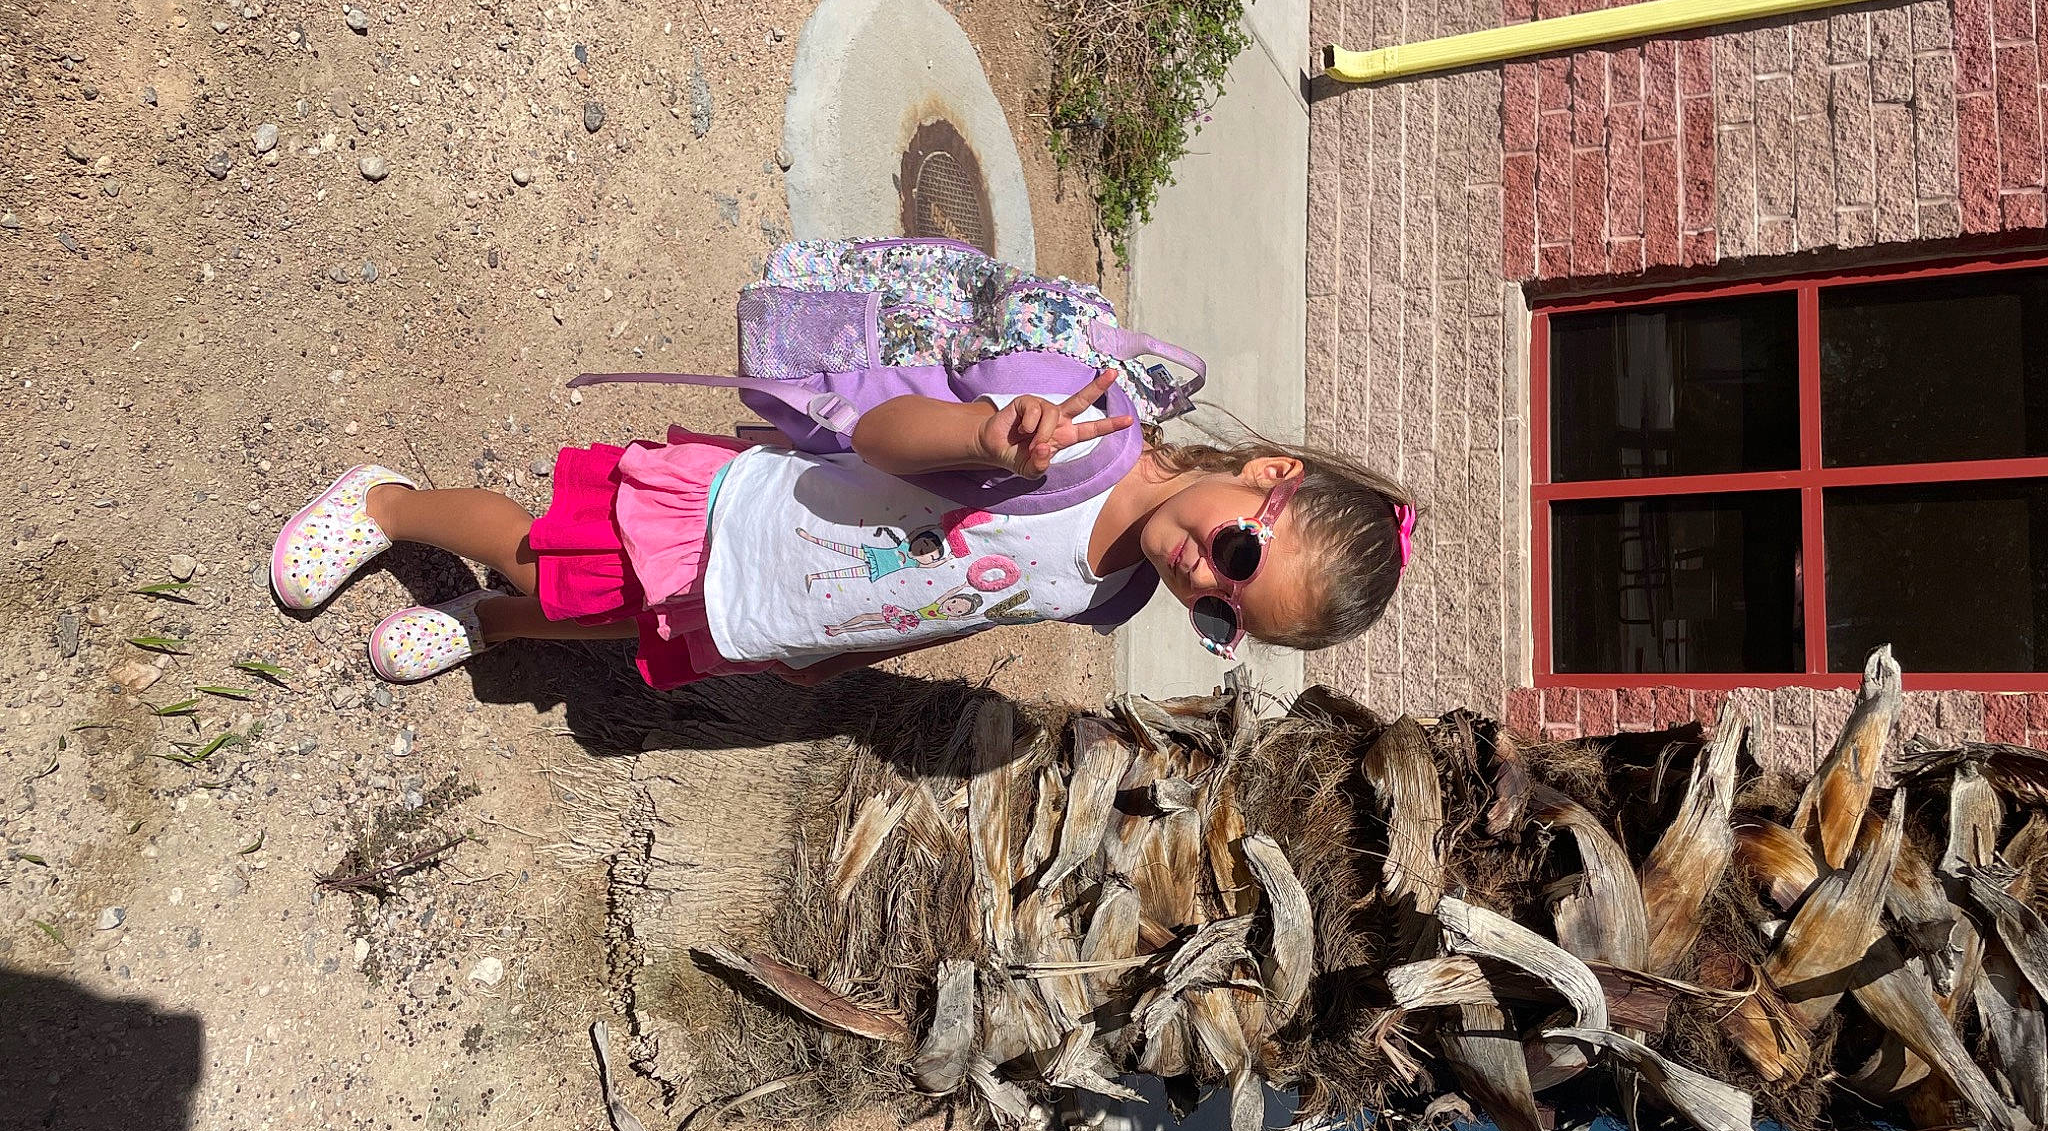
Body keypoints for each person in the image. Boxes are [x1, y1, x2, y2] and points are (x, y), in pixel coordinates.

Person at [268, 367, 1416, 688]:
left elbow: (977, 599)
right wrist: (983, 433)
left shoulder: (1115, 590)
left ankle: (500, 628)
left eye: (1222, 616)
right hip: (756, 517)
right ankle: (388, 505)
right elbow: (879, 439)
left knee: (614, 622)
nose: (1200, 582)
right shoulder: (1077, 426)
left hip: (788, 604)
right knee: (547, 545)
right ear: (1268, 474)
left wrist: (853, 645)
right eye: (1237, 556)